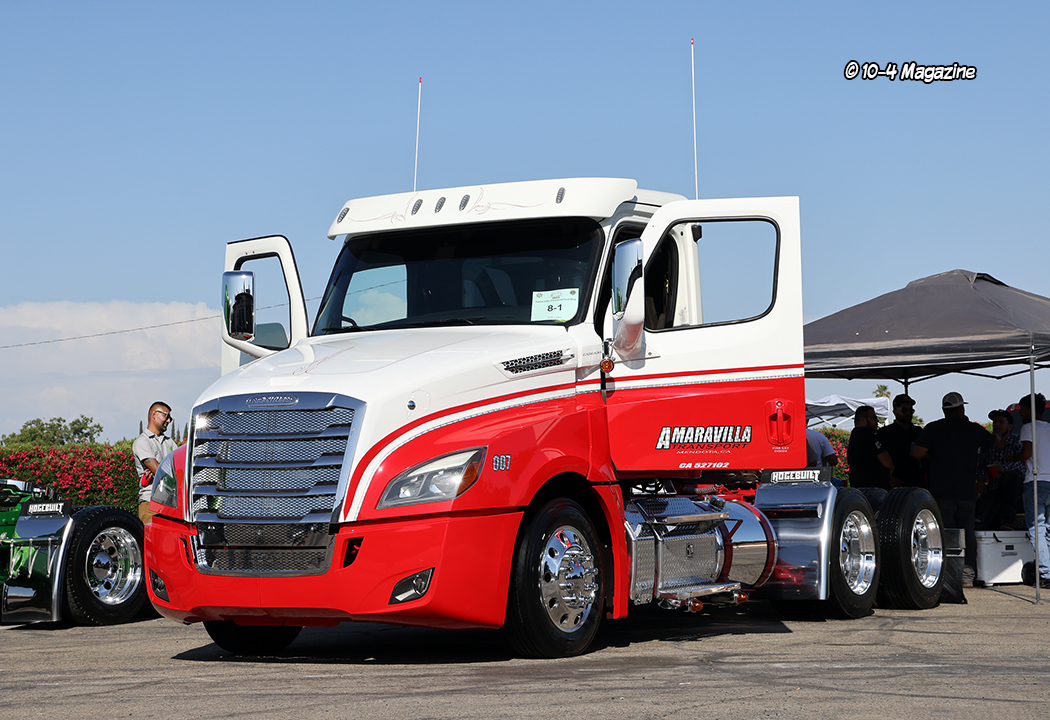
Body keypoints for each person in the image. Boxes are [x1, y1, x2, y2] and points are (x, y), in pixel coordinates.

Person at [911, 392, 994, 586]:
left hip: (941, 491)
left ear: (943, 410)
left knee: (943, 533)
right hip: (967, 490)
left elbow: (917, 453)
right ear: (962, 408)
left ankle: (945, 576)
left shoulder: (934, 428)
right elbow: (993, 443)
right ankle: (967, 574)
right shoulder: (974, 429)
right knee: (968, 532)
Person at [1017, 393, 1050, 588]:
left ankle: (1046, 573)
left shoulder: (1028, 427)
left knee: (1037, 528)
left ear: (1030, 409)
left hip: (1036, 481)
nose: (1021, 413)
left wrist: (1013, 458)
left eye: (1022, 409)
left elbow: (1027, 453)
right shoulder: (1048, 428)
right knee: (1048, 530)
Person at [976, 409, 1024, 531]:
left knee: (1010, 477)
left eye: (1001, 422)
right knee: (982, 520)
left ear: (1010, 427)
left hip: (1015, 489)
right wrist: (981, 480)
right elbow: (982, 465)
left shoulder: (1017, 441)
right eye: (995, 422)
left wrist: (1005, 468)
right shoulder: (988, 444)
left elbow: (1021, 462)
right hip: (993, 487)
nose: (997, 425)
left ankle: (1009, 521)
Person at [132, 401, 178, 525]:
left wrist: (160, 469)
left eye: (170, 418)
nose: (169, 421)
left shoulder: (170, 443)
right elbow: (159, 470)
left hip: (171, 506)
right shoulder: (142, 441)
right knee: (151, 537)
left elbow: (180, 468)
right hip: (150, 504)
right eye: (166, 416)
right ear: (154, 414)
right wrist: (162, 470)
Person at [876, 394, 924, 488]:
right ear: (895, 412)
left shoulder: (919, 432)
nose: (908, 413)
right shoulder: (884, 433)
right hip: (894, 485)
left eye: (911, 410)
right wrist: (888, 478)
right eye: (904, 410)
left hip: (916, 483)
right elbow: (877, 461)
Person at [847, 405, 892, 489]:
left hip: (860, 485)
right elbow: (883, 457)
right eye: (874, 417)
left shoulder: (855, 434)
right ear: (863, 419)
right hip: (872, 487)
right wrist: (892, 469)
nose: (877, 420)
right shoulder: (866, 434)